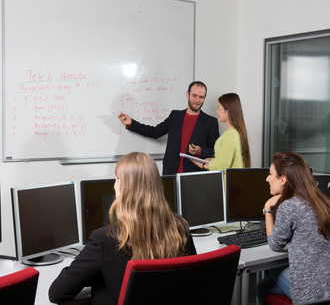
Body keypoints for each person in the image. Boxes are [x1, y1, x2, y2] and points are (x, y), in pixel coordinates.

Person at [49, 152, 196, 305]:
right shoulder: (180, 229)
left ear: (120, 186)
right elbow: (191, 282)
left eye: (116, 179)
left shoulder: (104, 239)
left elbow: (56, 293)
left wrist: (96, 274)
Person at [257, 151, 330, 304]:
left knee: (268, 271)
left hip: (311, 293)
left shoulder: (290, 206)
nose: (267, 179)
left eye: (270, 174)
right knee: (264, 286)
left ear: (283, 179)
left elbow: (274, 245)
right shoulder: (322, 201)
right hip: (327, 285)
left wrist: (268, 209)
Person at [118, 81, 219, 175]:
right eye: (194, 96)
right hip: (170, 172)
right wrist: (131, 123)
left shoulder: (211, 122)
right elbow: (154, 132)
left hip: (194, 175)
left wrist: (200, 151)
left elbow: (215, 151)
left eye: (201, 97)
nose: (197, 100)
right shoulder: (175, 116)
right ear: (187, 94)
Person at [190, 92, 250, 171]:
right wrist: (212, 160)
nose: (216, 111)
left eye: (218, 108)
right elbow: (226, 159)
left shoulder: (231, 134)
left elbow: (221, 166)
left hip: (228, 182)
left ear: (227, 110)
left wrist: (202, 164)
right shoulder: (233, 132)